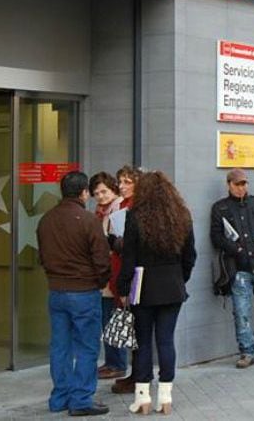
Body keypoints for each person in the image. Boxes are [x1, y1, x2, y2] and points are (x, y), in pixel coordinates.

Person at [117, 171, 196, 415]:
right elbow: (190, 256)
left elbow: (128, 259)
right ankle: (165, 396)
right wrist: (180, 278)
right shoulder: (182, 216)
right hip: (172, 287)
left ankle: (142, 398)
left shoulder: (135, 218)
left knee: (142, 342)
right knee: (165, 340)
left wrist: (122, 289)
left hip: (143, 287)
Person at [37, 171, 111, 416]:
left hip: (56, 291)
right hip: (84, 292)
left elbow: (42, 257)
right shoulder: (89, 220)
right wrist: (100, 282)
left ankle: (59, 398)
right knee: (87, 347)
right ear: (84, 193)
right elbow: (102, 261)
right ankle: (81, 399)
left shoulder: (46, 220)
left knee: (60, 346)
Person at [210, 168, 254, 368]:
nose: (242, 187)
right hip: (239, 267)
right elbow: (216, 236)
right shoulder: (220, 208)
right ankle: (247, 351)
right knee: (241, 311)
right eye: (238, 184)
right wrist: (236, 248)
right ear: (229, 185)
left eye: (244, 183)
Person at [89, 172, 126, 380]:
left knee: (113, 318)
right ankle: (112, 361)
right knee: (108, 318)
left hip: (115, 271)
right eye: (96, 193)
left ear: (113, 189)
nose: (100, 196)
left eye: (104, 191)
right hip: (106, 272)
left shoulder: (118, 209)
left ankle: (118, 363)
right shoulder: (101, 211)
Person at [110, 165, 142, 394]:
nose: (122, 186)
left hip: (133, 274)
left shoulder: (138, 209)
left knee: (137, 325)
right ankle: (134, 373)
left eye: (127, 181)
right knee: (129, 324)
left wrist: (119, 243)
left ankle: (138, 376)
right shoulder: (120, 206)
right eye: (120, 181)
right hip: (120, 268)